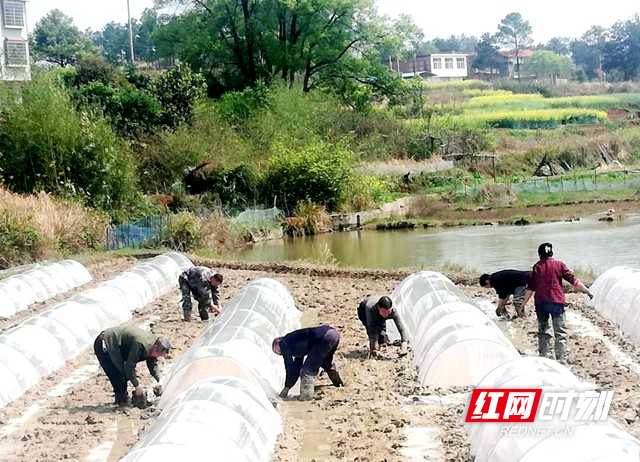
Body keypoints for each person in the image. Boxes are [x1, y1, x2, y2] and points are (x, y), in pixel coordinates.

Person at [521, 242, 593, 363]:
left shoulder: (537, 267)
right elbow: (574, 281)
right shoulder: (559, 265)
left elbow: (530, 288)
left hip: (541, 303)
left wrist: (523, 304)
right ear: (551, 253)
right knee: (560, 332)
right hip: (556, 301)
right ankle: (561, 359)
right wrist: (587, 291)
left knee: (543, 331)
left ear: (539, 255)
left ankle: (544, 356)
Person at [93, 326, 171, 406]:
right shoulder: (140, 345)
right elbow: (129, 368)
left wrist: (159, 380)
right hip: (105, 343)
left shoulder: (153, 345)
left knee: (124, 375)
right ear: (155, 348)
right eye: (159, 354)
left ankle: (122, 398)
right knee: (118, 373)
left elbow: (152, 363)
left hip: (118, 346)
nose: (158, 357)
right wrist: (137, 386)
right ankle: (122, 400)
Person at [272, 325, 344, 401]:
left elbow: (289, 366)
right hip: (333, 334)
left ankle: (306, 398)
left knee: (306, 371)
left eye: (278, 351)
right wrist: (288, 387)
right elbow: (295, 369)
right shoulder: (294, 345)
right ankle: (338, 383)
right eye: (278, 354)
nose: (280, 353)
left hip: (323, 337)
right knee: (326, 363)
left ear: (278, 342)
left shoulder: (283, 343)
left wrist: (285, 389)